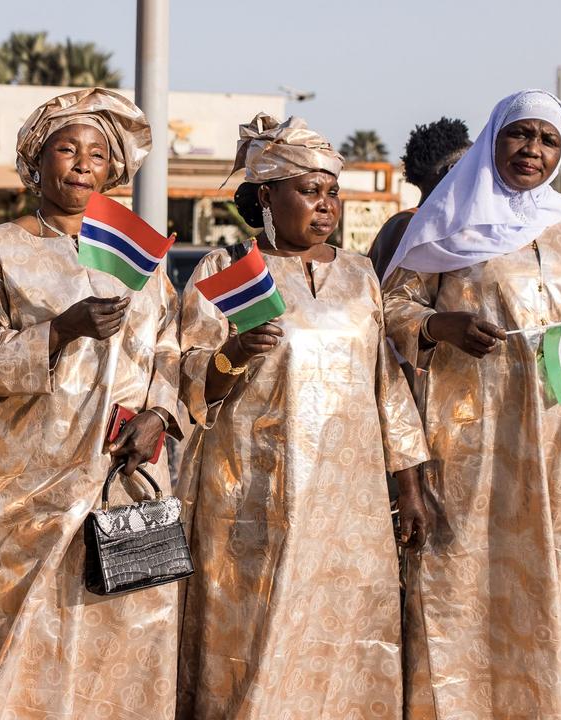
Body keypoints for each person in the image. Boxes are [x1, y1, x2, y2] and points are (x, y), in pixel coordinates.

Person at [175, 113, 428, 719]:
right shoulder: (225, 270)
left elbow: (385, 383)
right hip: (253, 497)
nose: (325, 206)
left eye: (331, 192)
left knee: (345, 632)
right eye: (308, 191)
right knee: (253, 632)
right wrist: (233, 353)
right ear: (266, 196)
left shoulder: (361, 275)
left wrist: (409, 484)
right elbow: (186, 380)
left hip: (350, 504)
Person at [0, 88, 184, 719]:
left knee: (129, 623)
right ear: (38, 159)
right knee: (29, 631)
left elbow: (171, 347)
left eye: (99, 154)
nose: (84, 164)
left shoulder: (139, 253)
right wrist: (61, 330)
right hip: (31, 478)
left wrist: (160, 416)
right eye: (68, 149)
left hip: (128, 469)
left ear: (115, 170)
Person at [384, 89, 561, 718]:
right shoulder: (445, 222)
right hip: (471, 443)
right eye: (518, 135)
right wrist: (439, 327)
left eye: (547, 139)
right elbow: (387, 308)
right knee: (468, 576)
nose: (532, 149)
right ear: (492, 140)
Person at [368, 118, 472, 279]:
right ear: (453, 171)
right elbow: (388, 297)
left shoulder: (413, 222)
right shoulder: (410, 225)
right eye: (473, 166)